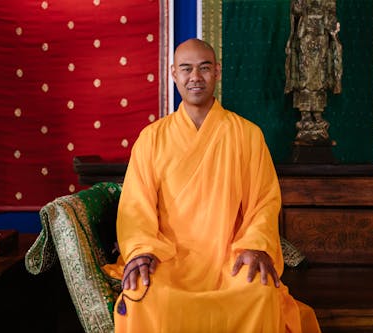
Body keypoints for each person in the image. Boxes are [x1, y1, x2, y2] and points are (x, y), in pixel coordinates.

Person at [102, 38, 321, 333]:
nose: (195, 77)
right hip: (169, 260)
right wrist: (142, 251)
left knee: (260, 293)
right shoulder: (151, 139)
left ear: (217, 71)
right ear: (173, 73)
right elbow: (134, 207)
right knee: (144, 297)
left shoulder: (247, 135)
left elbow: (264, 202)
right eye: (186, 69)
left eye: (204, 68)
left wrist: (255, 246)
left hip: (229, 257)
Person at [284, 0, 342, 144]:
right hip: (306, 40)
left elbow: (331, 14)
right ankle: (305, 116)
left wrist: (332, 28)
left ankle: (317, 114)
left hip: (322, 40)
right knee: (305, 79)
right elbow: (296, 11)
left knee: (320, 79)